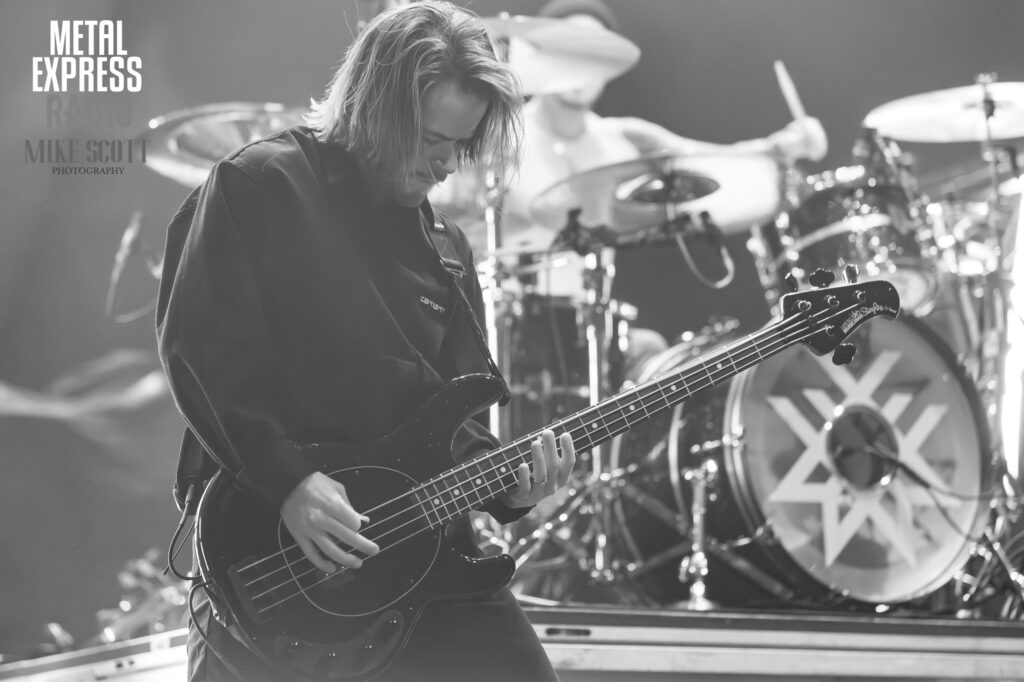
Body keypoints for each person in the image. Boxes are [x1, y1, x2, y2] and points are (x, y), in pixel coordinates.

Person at [156, 3, 575, 680]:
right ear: (376, 109)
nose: (448, 166)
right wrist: (288, 482)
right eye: (433, 140)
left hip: (423, 553)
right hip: (275, 552)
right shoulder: (260, 184)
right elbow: (201, 354)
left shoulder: (447, 248)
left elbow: (459, 416)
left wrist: (510, 490)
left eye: (461, 145)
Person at [432, 0, 829, 381]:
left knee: (659, 355)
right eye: (569, 51)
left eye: (595, 54)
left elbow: (712, 162)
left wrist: (784, 144)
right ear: (539, 55)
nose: (582, 65)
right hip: (499, 327)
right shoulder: (496, 134)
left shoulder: (624, 140)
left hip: (588, 326)